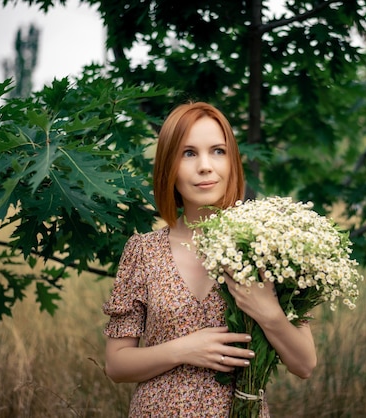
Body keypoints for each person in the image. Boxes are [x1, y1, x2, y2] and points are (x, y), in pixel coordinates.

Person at [102, 101, 317, 417]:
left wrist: (269, 312)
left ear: (232, 161)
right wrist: (185, 349)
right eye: (188, 153)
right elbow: (116, 364)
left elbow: (305, 364)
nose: (205, 166)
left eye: (218, 151)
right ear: (168, 167)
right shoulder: (143, 252)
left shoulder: (265, 246)